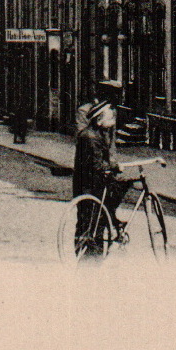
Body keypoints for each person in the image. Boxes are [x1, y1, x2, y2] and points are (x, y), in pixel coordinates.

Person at [73, 99, 129, 252]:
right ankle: (90, 257)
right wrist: (115, 166)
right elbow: (97, 164)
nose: (113, 122)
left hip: (89, 183)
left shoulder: (95, 134)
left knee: (93, 219)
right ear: (99, 120)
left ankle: (90, 250)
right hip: (90, 185)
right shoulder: (91, 137)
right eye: (110, 118)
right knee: (92, 220)